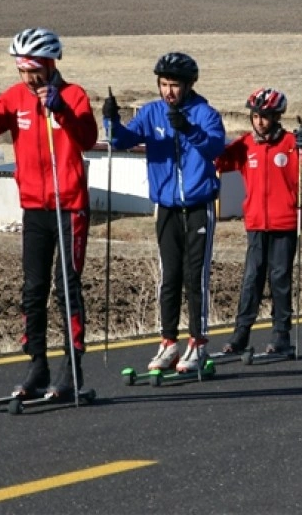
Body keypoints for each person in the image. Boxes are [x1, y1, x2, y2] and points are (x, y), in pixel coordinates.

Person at [0, 28, 98, 399]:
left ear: (51, 65)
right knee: (33, 289)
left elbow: (87, 138)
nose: (28, 78)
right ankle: (37, 365)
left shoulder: (74, 94)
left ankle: (71, 369)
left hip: (70, 208)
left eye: (34, 69)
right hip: (34, 206)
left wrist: (61, 111)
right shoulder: (16, 97)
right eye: (22, 70)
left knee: (67, 289)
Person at [104, 53, 226, 373]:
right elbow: (121, 140)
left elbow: (215, 148)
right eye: (163, 84)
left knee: (194, 276)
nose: (168, 91)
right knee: (169, 276)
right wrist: (111, 121)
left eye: (174, 85)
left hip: (199, 206)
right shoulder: (151, 113)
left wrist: (188, 129)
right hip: (166, 206)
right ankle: (168, 342)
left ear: (188, 85)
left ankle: (197, 344)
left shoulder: (206, 114)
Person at [215, 87, 302, 356]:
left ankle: (281, 334)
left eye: (265, 116)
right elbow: (219, 161)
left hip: (285, 222)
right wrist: (210, 139)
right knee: (252, 278)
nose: (259, 121)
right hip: (255, 223)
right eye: (255, 116)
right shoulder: (246, 145)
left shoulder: (290, 143)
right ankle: (240, 335)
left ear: (277, 116)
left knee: (280, 278)